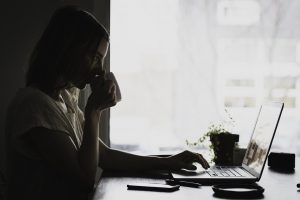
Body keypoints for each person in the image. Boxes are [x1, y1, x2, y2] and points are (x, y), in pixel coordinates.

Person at [4, 5, 209, 200]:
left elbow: (105, 156)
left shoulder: (64, 101)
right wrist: (93, 111)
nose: (100, 70)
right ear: (69, 49)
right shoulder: (34, 105)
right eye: (95, 57)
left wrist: (168, 162)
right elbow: (83, 179)